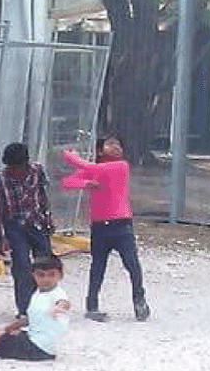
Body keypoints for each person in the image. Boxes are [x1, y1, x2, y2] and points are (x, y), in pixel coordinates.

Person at [61, 135, 150, 322]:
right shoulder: (94, 170)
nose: (116, 147)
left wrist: (72, 158)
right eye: (110, 144)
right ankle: (92, 305)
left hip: (121, 224)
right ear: (100, 150)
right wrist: (86, 183)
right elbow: (67, 182)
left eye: (118, 144)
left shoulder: (120, 166)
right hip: (100, 226)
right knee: (97, 267)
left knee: (132, 264)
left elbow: (92, 168)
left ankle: (139, 300)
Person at [0, 142, 55, 318]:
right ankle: (25, 309)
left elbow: (43, 195)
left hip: (37, 222)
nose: (15, 172)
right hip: (15, 226)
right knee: (22, 266)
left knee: (45, 263)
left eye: (18, 168)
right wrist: (2, 238)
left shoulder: (37, 171)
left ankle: (45, 303)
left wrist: (48, 217)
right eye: (11, 168)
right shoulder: (0, 180)